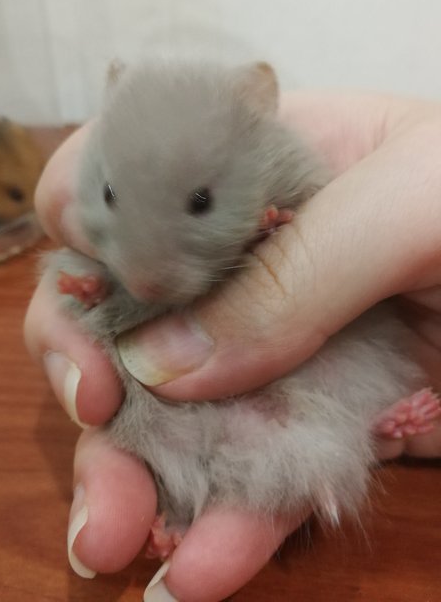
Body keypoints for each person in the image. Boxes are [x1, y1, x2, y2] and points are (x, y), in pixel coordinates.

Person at [24, 90, 441, 602]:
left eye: (199, 202)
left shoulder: (280, 185)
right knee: (134, 417)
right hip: (189, 422)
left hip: (290, 405)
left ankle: (367, 429)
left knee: (334, 391)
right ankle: (180, 513)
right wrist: (95, 287)